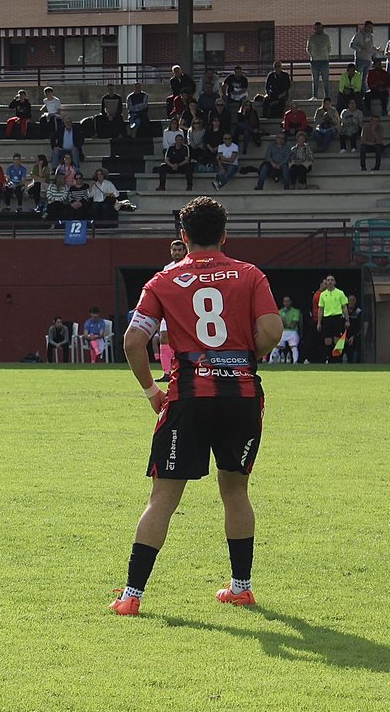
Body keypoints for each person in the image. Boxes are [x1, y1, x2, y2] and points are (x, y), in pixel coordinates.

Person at [109, 196, 282, 616]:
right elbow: (273, 331)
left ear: (183, 237)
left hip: (188, 395)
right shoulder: (250, 275)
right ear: (224, 235)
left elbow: (134, 341)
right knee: (236, 491)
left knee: (163, 497)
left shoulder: (164, 280)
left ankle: (132, 597)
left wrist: (152, 390)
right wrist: (244, 357)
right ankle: (241, 587)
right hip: (241, 395)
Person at [155, 239, 188, 382]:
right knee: (163, 336)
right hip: (169, 307)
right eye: (174, 250)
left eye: (180, 250)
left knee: (184, 340)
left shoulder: (189, 265)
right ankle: (167, 373)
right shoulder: (167, 268)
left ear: (185, 251)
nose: (177, 253)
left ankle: (183, 370)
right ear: (171, 251)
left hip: (185, 309)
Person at [315, 274, 349, 363]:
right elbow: (320, 309)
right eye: (328, 280)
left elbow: (344, 307)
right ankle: (328, 357)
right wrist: (319, 322)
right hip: (327, 318)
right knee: (327, 340)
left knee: (337, 339)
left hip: (337, 317)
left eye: (331, 280)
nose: (330, 281)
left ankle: (337, 359)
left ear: (334, 282)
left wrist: (347, 319)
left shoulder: (340, 293)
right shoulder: (323, 294)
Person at [307, 22, 333, 100]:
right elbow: (308, 48)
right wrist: (313, 55)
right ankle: (314, 96)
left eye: (320, 27)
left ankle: (327, 96)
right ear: (315, 29)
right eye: (317, 28)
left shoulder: (326, 37)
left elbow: (329, 48)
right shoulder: (312, 38)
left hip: (324, 61)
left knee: (325, 80)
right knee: (315, 80)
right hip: (314, 61)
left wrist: (324, 55)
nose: (318, 29)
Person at [350, 21, 377, 92]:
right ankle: (358, 91)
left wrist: (376, 49)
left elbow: (371, 47)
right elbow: (352, 45)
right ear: (365, 27)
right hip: (360, 59)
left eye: (371, 28)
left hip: (368, 60)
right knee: (358, 77)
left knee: (365, 78)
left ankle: (364, 93)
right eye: (368, 27)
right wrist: (360, 48)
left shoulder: (371, 36)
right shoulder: (359, 35)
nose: (370, 29)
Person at [278, 295, 302, 363]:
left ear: (291, 302)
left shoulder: (295, 311)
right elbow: (279, 325)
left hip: (292, 332)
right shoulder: (279, 312)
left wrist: (284, 323)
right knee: (276, 346)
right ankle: (272, 361)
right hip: (282, 332)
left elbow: (293, 325)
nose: (286, 303)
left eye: (288, 301)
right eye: (285, 301)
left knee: (293, 346)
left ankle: (295, 361)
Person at [345, 293, 362, 363]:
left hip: (355, 337)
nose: (351, 302)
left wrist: (354, 336)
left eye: (353, 300)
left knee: (356, 351)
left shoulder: (358, 312)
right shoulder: (344, 312)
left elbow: (360, 327)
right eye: (350, 300)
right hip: (345, 337)